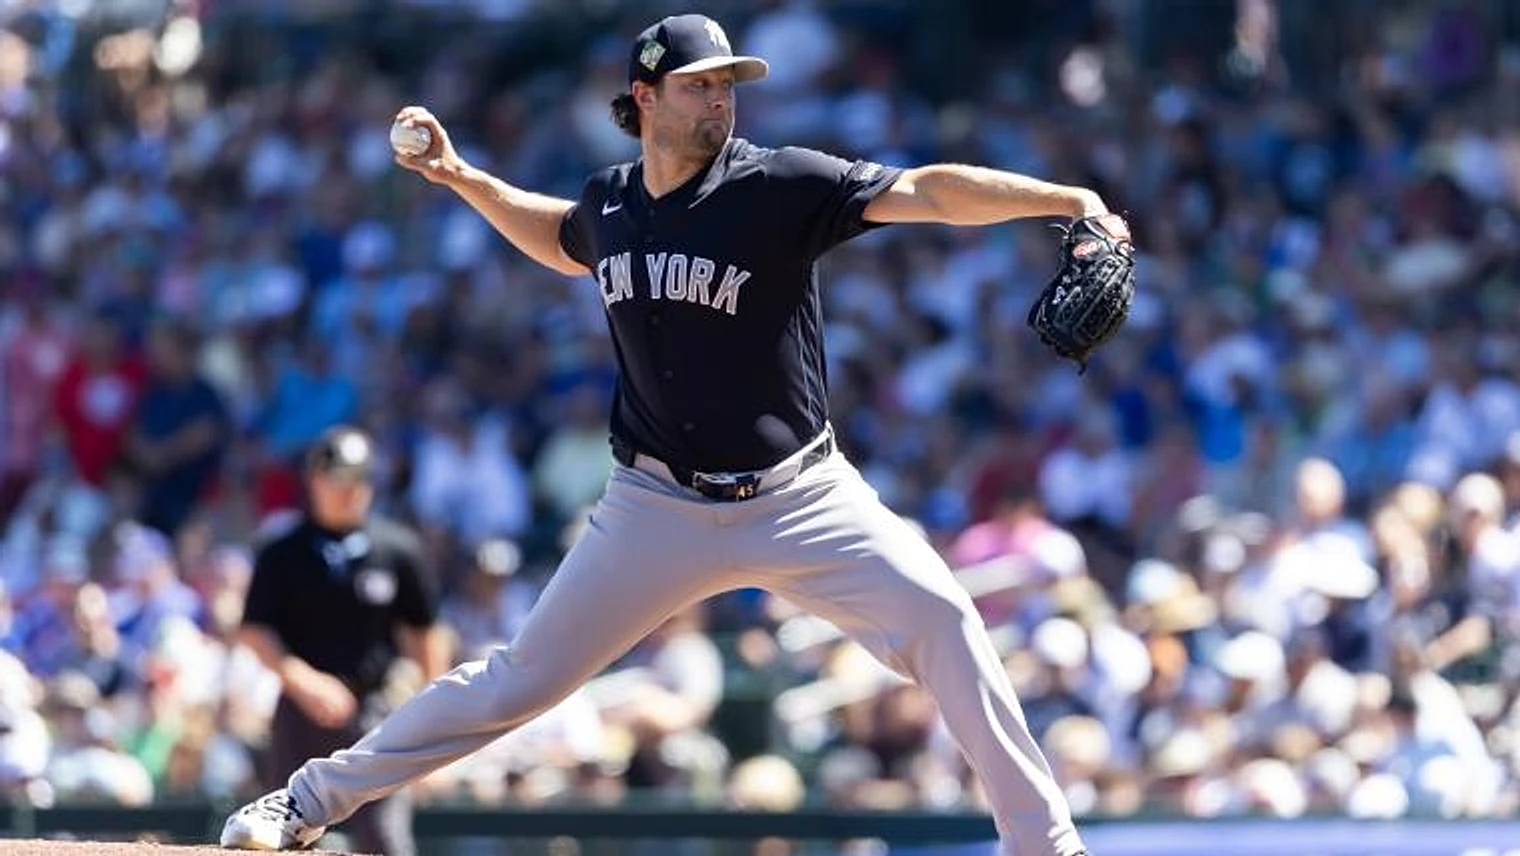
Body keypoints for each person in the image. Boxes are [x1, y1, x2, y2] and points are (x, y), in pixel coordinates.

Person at [221, 14, 1109, 856]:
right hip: (654, 505)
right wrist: (461, 177)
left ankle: (1046, 845)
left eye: (728, 85)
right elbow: (562, 238)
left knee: (945, 620)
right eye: (699, 85)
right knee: (518, 679)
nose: (720, 99)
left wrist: (1065, 199)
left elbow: (925, 191)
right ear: (644, 97)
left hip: (801, 495)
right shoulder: (612, 202)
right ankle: (306, 802)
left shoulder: (778, 184)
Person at [231, 426, 448, 855]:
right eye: (338, 479)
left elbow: (426, 632)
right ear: (314, 480)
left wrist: (434, 719)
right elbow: (255, 630)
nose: (350, 490)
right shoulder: (283, 550)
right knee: (282, 832)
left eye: (360, 479)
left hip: (375, 712)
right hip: (299, 712)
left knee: (385, 837)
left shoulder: (396, 548)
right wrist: (303, 681)